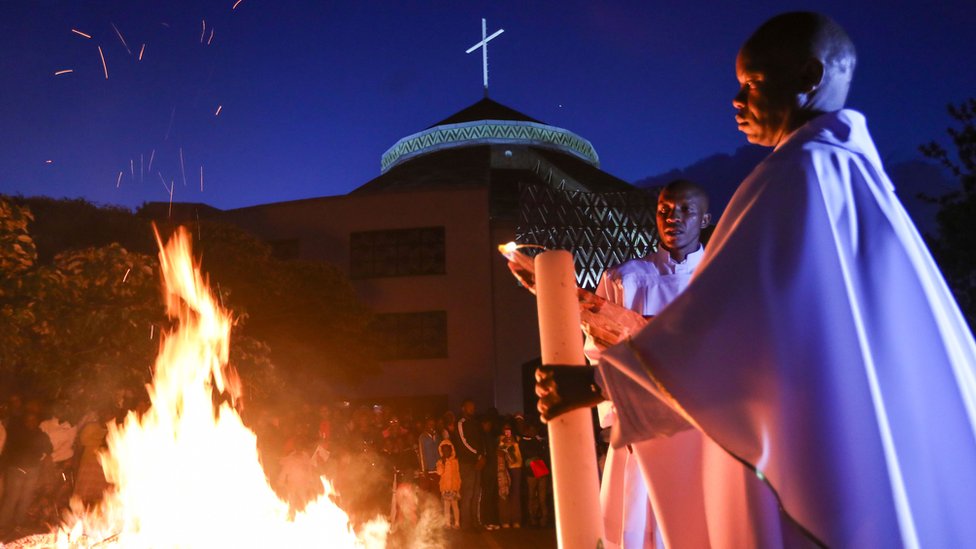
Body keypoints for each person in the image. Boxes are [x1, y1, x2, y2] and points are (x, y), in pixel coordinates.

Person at [539, 11, 976, 548]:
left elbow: (729, 332)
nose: (736, 99)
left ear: (809, 77)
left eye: (753, 83)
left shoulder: (794, 175)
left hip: (808, 450)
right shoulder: (855, 175)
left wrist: (596, 383)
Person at [589, 179, 711, 549]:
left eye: (684, 210)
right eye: (664, 209)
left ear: (705, 218)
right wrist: (613, 419)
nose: (672, 217)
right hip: (640, 425)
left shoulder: (721, 275)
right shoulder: (622, 279)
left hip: (704, 428)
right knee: (636, 523)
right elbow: (598, 352)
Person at [0, 412, 53, 536]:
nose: (31, 422)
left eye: (33, 419)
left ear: (37, 421)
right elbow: (8, 451)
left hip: (32, 470)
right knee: (12, 498)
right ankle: (3, 525)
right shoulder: (17, 433)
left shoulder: (41, 434)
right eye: (28, 419)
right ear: (25, 421)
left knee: (26, 498)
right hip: (16, 469)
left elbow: (49, 449)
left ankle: (19, 523)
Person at [450, 399, 484, 530]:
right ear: (463, 408)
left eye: (473, 407)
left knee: (476, 494)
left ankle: (475, 522)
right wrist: (478, 455)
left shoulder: (475, 423)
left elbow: (480, 441)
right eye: (469, 407)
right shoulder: (460, 423)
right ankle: (466, 524)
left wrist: (481, 456)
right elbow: (463, 442)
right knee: (468, 494)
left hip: (477, 461)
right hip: (467, 462)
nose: (472, 409)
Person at [497, 423, 523, 528]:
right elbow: (499, 452)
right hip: (504, 468)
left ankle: (516, 519)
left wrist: (514, 442)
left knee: (515, 494)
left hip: (517, 468)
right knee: (504, 494)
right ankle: (505, 520)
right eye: (505, 429)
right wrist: (503, 443)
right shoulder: (500, 440)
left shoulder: (517, 439)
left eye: (509, 429)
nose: (507, 431)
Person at [436, 439, 461, 529]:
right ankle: (448, 523)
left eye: (448, 450)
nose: (446, 452)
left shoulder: (455, 461)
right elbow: (439, 472)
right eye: (444, 451)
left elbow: (458, 475)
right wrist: (442, 463)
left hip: (453, 487)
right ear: (441, 451)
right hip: (445, 488)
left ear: (451, 450)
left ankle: (457, 523)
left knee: (455, 505)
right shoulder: (440, 462)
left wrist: (458, 487)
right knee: (446, 506)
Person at [417, 417, 441, 494]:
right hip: (428, 470)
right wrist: (424, 470)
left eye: (433, 424)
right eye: (430, 424)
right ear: (426, 425)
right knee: (427, 493)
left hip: (438, 469)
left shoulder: (437, 436)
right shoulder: (422, 437)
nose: (432, 426)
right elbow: (421, 453)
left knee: (437, 492)